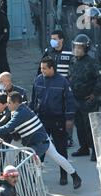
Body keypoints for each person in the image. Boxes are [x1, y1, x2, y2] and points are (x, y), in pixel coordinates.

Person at [0, 92, 82, 188]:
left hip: (38, 140)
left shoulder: (20, 112)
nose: (7, 105)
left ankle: (74, 176)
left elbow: (9, 126)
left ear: (15, 103)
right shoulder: (18, 110)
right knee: (10, 157)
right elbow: (13, 129)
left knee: (52, 158)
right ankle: (6, 180)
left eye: (9, 103)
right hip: (28, 138)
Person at [30, 56, 77, 185]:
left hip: (58, 120)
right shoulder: (38, 80)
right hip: (42, 120)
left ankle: (64, 176)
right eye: (41, 68)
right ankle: (36, 176)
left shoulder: (63, 82)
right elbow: (33, 100)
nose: (42, 71)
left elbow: (69, 101)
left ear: (52, 68)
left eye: (44, 68)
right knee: (40, 150)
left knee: (61, 149)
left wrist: (69, 118)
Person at [69, 34, 101, 161]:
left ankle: (95, 150)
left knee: (91, 126)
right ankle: (84, 148)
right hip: (76, 99)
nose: (77, 50)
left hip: (88, 100)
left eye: (80, 47)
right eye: (76, 47)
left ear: (86, 48)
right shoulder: (73, 60)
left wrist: (94, 95)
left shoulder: (92, 62)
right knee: (79, 125)